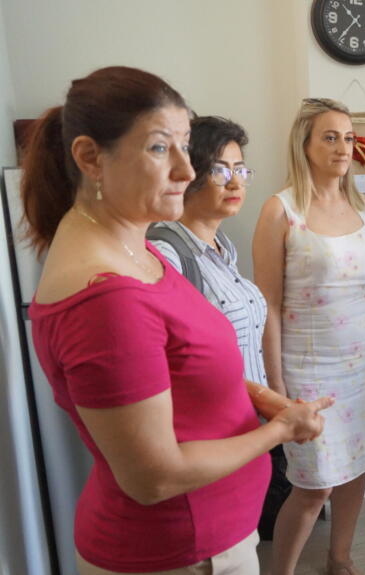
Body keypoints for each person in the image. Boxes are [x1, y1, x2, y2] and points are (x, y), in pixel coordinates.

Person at [21, 66, 330, 575]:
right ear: (90, 158)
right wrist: (279, 431)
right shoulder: (106, 296)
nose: (187, 172)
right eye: (161, 148)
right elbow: (154, 478)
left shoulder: (136, 249)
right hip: (179, 553)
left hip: (210, 537)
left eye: (186, 147)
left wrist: (264, 399)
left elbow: (185, 367)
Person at [253, 97, 365, 575]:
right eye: (329, 137)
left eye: (348, 137)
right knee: (314, 484)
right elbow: (267, 306)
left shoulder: (363, 207)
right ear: (304, 144)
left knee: (355, 466)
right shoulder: (280, 211)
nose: (343, 147)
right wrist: (276, 388)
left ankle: (339, 557)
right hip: (311, 372)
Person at [147, 115, 291, 540]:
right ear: (187, 174)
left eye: (240, 170)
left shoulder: (222, 247)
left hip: (249, 427)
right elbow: (172, 364)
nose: (235, 183)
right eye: (219, 170)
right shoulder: (165, 254)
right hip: (211, 437)